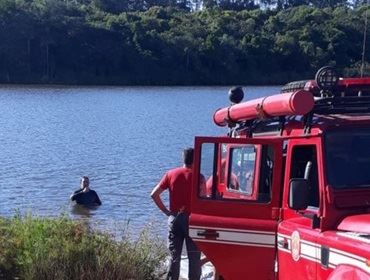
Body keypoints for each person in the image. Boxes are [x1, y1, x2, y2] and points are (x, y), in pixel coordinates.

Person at [151, 148, 201, 280]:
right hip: (193, 220)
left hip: (175, 218)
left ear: (183, 159)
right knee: (195, 258)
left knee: (174, 258)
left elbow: (154, 194)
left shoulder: (171, 174)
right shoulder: (199, 177)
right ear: (195, 159)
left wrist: (167, 212)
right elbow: (204, 199)